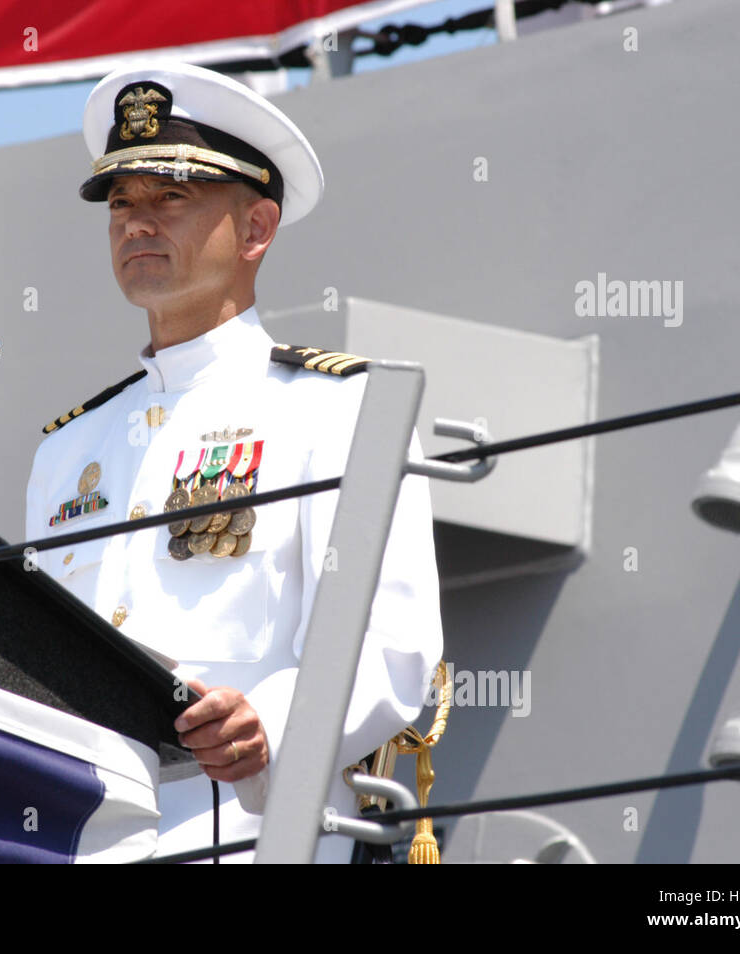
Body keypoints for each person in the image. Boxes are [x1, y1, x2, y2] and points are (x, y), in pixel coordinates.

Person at [24, 62, 443, 863]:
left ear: (256, 229)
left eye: (169, 197)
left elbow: (393, 647)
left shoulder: (338, 407)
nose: (135, 223)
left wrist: (267, 723)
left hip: (244, 831)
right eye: (119, 202)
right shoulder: (67, 449)